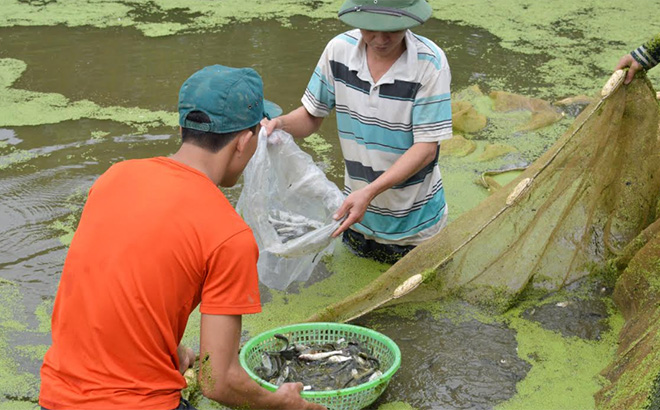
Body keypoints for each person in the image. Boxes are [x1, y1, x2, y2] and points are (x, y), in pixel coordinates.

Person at [38, 65, 325, 410]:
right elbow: (219, 382)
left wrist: (170, 351)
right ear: (245, 142)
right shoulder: (228, 235)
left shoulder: (114, 179)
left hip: (55, 397)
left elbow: (115, 289)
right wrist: (286, 404)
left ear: (182, 128)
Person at [262, 0, 452, 265]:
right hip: (356, 218)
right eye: (370, 28)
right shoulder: (338, 51)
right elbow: (311, 115)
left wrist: (370, 192)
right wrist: (279, 124)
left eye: (392, 30)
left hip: (415, 228)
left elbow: (425, 149)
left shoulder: (430, 63)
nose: (380, 39)